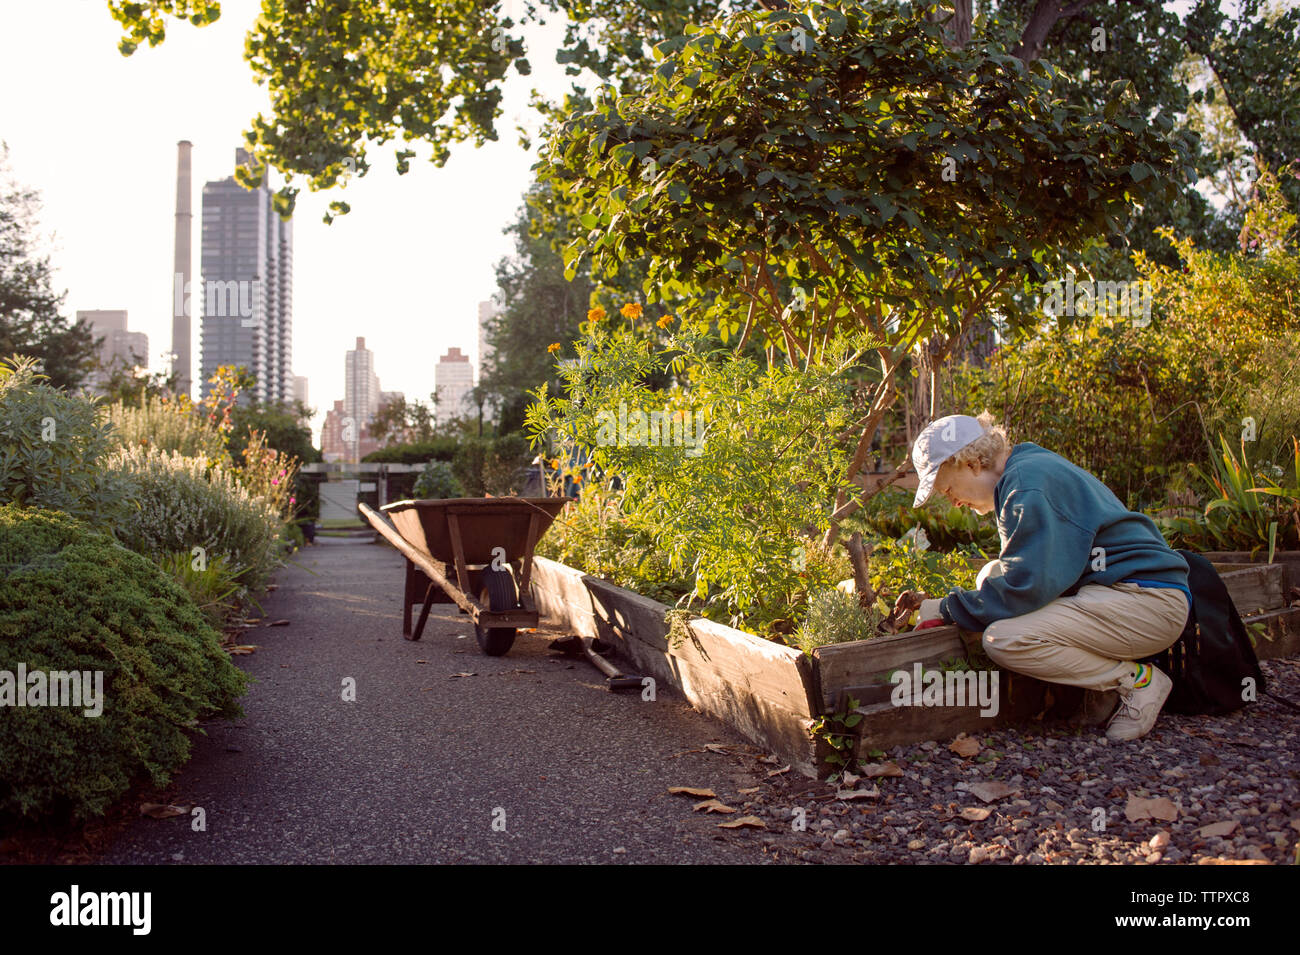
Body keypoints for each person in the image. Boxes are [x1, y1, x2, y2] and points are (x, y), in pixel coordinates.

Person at [908, 411, 1191, 741]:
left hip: (1146, 601)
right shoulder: (1025, 466)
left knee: (1005, 640)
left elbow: (1024, 589)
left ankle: (1138, 681)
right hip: (1119, 591)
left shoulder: (1027, 487)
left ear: (969, 462)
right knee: (990, 573)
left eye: (947, 488)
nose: (953, 500)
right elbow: (1026, 576)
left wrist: (944, 609)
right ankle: (1099, 690)